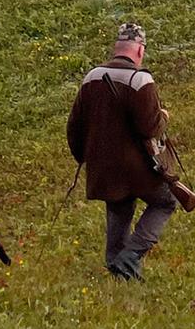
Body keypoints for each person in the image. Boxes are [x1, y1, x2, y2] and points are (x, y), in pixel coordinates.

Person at [66, 23, 176, 281]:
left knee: (118, 209)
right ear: (139, 50)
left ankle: (119, 270)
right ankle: (131, 256)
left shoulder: (91, 77)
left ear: (117, 48)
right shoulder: (141, 80)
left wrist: (83, 156)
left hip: (104, 168)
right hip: (138, 169)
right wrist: (164, 116)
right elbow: (150, 127)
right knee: (165, 203)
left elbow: (73, 126)